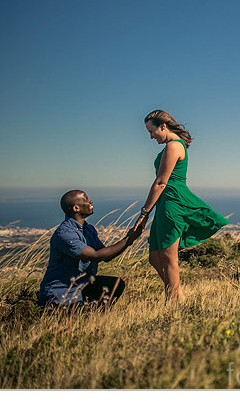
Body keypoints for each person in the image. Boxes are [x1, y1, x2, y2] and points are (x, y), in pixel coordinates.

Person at [132, 110, 229, 303]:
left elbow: (161, 182)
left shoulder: (173, 146)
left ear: (163, 126)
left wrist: (144, 214)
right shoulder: (171, 146)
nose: (151, 137)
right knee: (155, 257)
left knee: (169, 258)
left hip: (172, 203)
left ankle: (174, 299)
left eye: (152, 131)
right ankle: (177, 295)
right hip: (165, 203)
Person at [37, 190, 140, 308]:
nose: (90, 201)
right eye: (85, 199)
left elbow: (106, 256)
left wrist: (129, 240)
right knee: (78, 317)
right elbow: (96, 256)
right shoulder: (65, 234)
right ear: (76, 208)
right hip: (61, 295)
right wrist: (128, 239)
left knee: (116, 284)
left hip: (81, 287)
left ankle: (98, 317)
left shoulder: (88, 229)